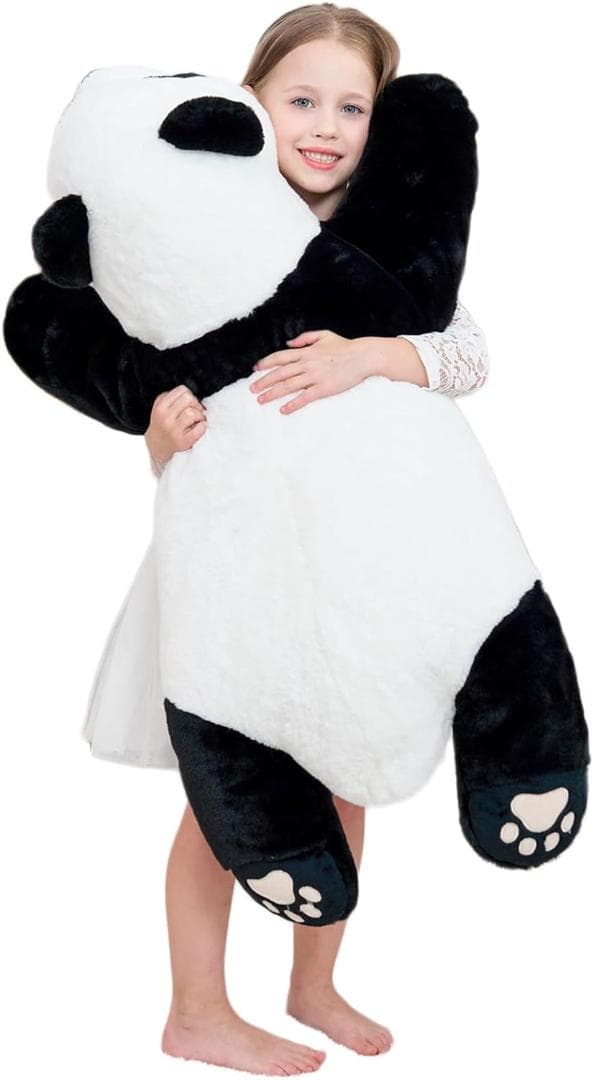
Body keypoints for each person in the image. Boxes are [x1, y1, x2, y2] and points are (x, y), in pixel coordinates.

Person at [143, 4, 489, 1075]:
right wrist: (160, 438)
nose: (327, 126)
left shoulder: (391, 236)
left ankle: (314, 982)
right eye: (302, 100)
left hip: (359, 559)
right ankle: (197, 1007)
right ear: (252, 102)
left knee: (349, 765)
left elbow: (466, 353)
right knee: (231, 794)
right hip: (245, 565)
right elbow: (163, 400)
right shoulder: (206, 235)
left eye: (353, 106)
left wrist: (369, 355)